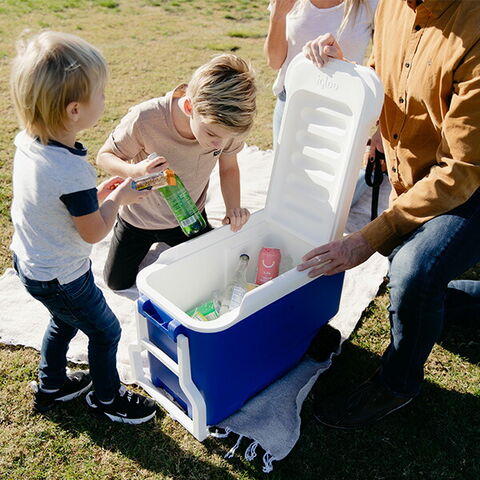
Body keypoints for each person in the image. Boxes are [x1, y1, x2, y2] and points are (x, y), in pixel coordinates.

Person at [299, 0, 480, 429]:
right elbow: (386, 73)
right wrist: (350, 74)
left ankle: (397, 384)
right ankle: (439, 305)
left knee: (414, 270)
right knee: (411, 274)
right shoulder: (393, 5)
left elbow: (461, 170)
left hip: (468, 184)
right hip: (420, 176)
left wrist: (368, 238)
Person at [10, 31, 157, 424]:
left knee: (63, 321)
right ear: (74, 110)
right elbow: (92, 232)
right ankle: (108, 398)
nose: (106, 99)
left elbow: (53, 200)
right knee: (105, 331)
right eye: (101, 94)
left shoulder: (29, 141)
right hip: (63, 276)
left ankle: (52, 385)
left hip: (32, 263)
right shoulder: (71, 171)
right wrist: (116, 200)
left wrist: (93, 196)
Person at [97, 54, 257, 290]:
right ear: (190, 107)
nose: (219, 145)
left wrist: (233, 209)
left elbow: (229, 167)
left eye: (225, 139)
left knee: (214, 275)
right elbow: (104, 156)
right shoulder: (145, 118)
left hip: (189, 217)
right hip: (138, 219)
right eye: (211, 135)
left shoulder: (226, 128)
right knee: (116, 283)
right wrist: (134, 170)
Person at [264, 0, 378, 204]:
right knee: (285, 192)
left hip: (342, 112)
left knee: (328, 201)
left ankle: (364, 175)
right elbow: (274, 62)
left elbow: (383, 63)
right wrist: (278, 16)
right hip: (293, 104)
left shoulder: (370, 4)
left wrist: (381, 128)